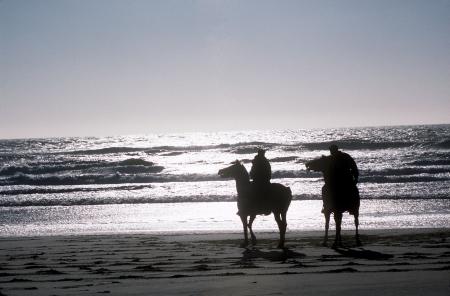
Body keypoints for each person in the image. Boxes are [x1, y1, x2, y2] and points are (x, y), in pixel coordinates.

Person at [328, 144, 359, 213]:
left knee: (353, 191)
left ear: (335, 150)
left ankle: (353, 207)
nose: (331, 152)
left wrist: (356, 178)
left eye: (331, 151)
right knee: (325, 189)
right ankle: (326, 206)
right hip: (335, 181)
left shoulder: (345, 156)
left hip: (346, 180)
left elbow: (354, 167)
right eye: (330, 151)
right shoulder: (330, 158)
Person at [249, 149, 272, 213]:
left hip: (260, 180)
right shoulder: (263, 161)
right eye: (263, 153)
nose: (263, 154)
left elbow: (252, 171)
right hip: (261, 180)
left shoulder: (259, 161)